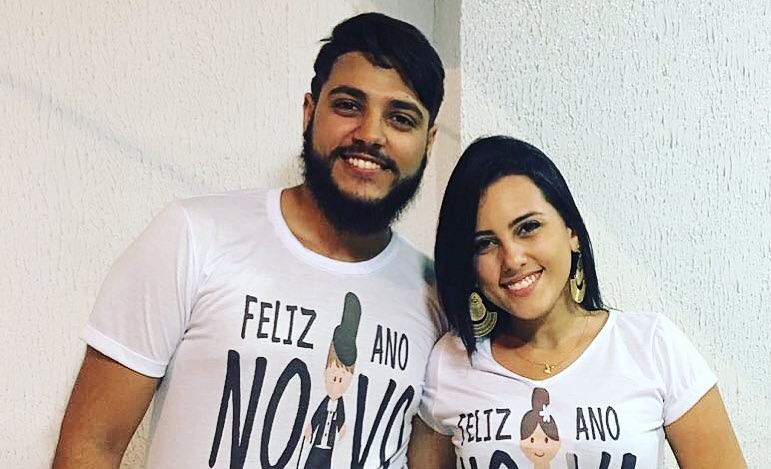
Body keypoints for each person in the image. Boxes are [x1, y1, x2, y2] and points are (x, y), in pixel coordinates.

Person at [53, 12, 446, 469]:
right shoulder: (193, 236)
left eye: (400, 118)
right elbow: (91, 447)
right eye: (347, 105)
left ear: (428, 142)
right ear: (309, 112)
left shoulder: (437, 295)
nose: (370, 134)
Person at [407, 136, 746, 468]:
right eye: (485, 243)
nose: (512, 259)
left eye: (528, 227)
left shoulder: (652, 346)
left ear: (571, 232)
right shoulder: (450, 362)